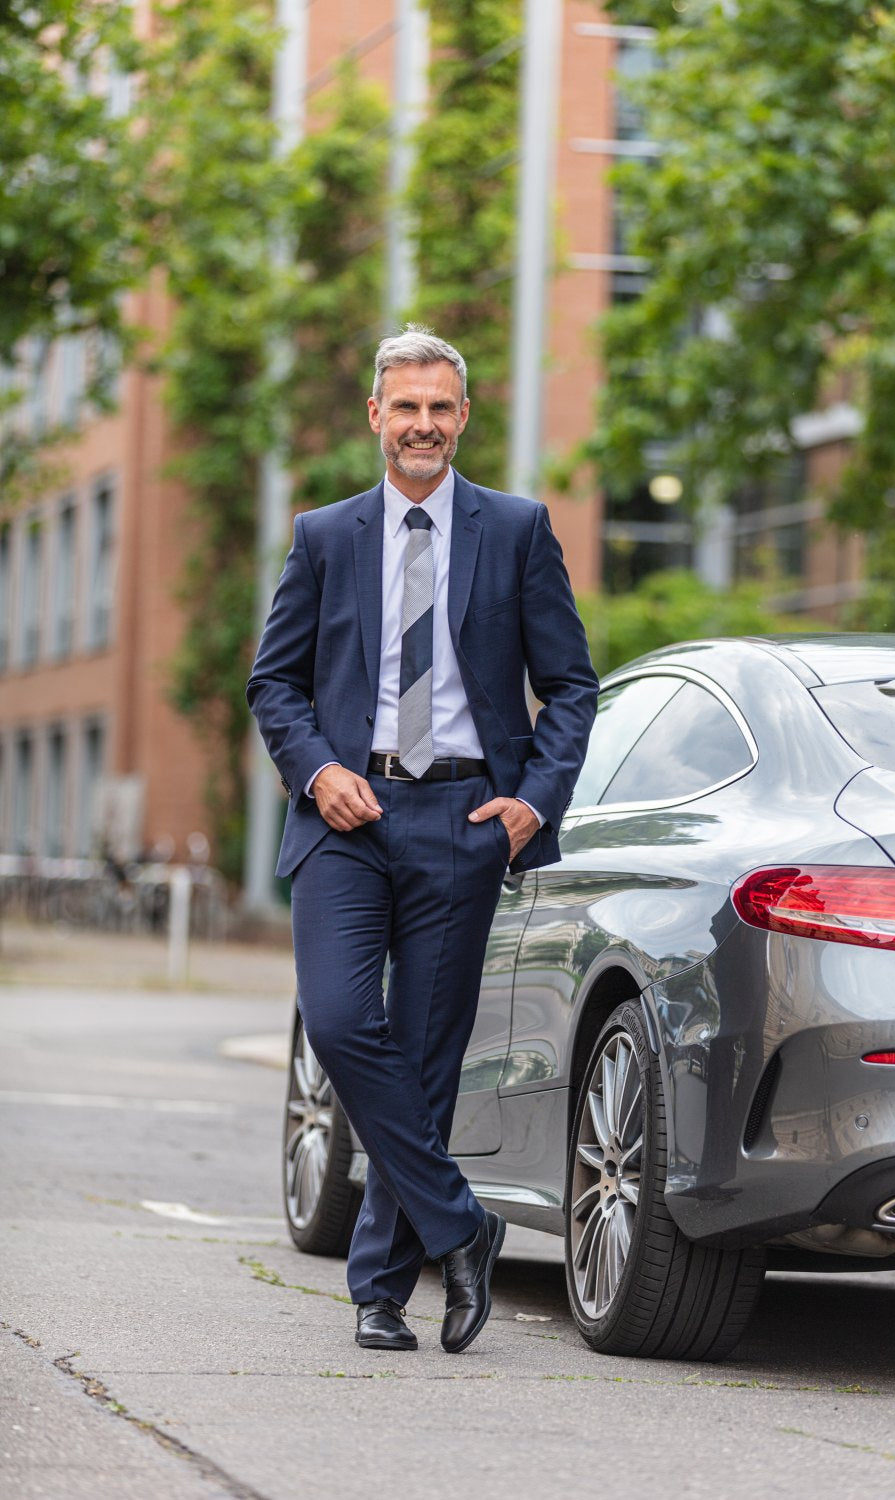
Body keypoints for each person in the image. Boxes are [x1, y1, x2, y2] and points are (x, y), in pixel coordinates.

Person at [247, 326, 598, 1354]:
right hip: (346, 818)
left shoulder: (518, 529)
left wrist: (532, 801)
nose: (423, 426)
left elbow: (570, 686)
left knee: (427, 1059)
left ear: (463, 417)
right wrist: (317, 768)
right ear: (374, 415)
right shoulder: (324, 537)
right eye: (406, 407)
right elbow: (276, 681)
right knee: (345, 1020)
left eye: (441, 408)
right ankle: (460, 1225)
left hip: (463, 821)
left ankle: (381, 1291)